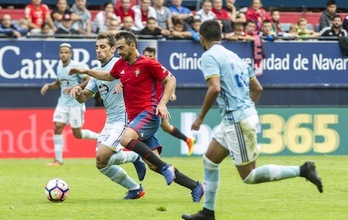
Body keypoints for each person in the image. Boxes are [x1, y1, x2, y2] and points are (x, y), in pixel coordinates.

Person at [181, 20, 323, 220]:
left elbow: (214, 88)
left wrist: (200, 117)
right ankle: (207, 213)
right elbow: (257, 88)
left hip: (237, 120)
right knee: (210, 161)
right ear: (221, 36)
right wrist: (247, 110)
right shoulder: (236, 57)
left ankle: (302, 170)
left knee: (249, 176)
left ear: (202, 38)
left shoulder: (209, 56)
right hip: (238, 118)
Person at [68, 31, 204, 202]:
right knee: (153, 164)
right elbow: (107, 77)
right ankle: (196, 186)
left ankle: (145, 160)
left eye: (119, 48)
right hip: (131, 120)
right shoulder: (120, 66)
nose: (118, 52)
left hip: (143, 115)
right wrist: (83, 79)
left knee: (125, 141)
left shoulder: (142, 62)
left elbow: (170, 79)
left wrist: (162, 103)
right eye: (116, 48)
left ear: (131, 46)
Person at [70, 33, 146, 199]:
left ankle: (135, 156)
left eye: (103, 47)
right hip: (110, 121)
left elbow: (137, 74)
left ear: (113, 49)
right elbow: (85, 97)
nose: (98, 50)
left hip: (124, 118)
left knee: (102, 156)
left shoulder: (120, 64)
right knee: (101, 164)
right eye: (96, 47)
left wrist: (125, 81)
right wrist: (78, 93)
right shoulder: (97, 73)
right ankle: (135, 189)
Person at [40, 43, 99, 166]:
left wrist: (74, 87)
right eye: (62, 52)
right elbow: (59, 84)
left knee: (77, 134)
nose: (64, 54)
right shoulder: (59, 66)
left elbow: (88, 80)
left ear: (70, 54)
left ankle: (101, 137)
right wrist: (49, 86)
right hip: (63, 103)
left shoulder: (76, 66)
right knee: (57, 127)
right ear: (59, 54)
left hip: (76, 103)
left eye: (66, 52)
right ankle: (58, 160)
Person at [142, 46, 195, 155]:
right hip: (147, 103)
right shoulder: (141, 69)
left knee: (148, 126)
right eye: (145, 56)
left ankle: (150, 154)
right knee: (166, 127)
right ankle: (188, 140)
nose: (147, 58)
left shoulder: (157, 68)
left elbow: (171, 79)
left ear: (155, 57)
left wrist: (172, 93)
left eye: (150, 56)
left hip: (156, 104)